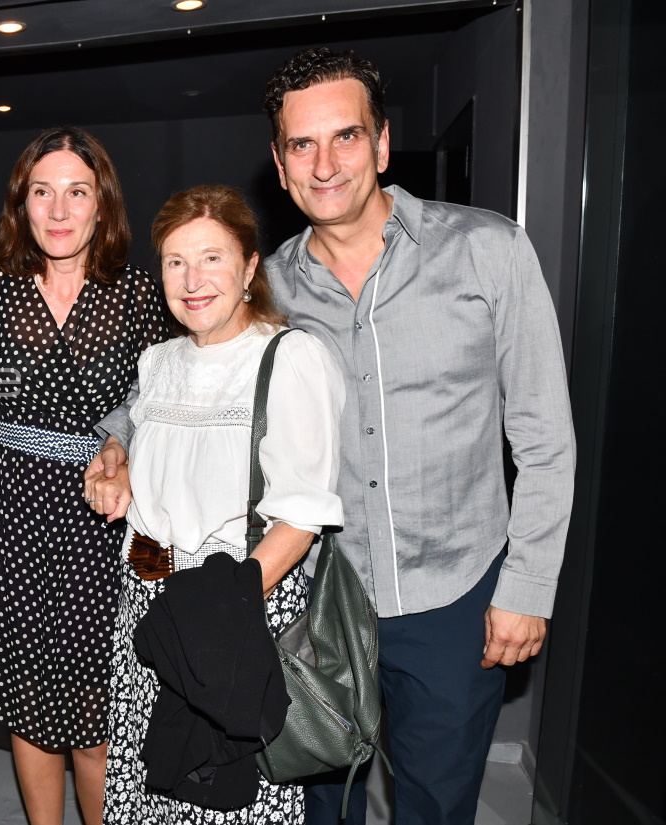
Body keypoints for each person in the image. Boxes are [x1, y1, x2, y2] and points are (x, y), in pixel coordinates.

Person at [91, 48, 576, 825]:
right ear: (280, 165)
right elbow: (176, 380)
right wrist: (115, 442)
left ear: (380, 144)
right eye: (301, 145)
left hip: (453, 596)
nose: (324, 164)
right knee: (318, 806)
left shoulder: (488, 251)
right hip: (314, 601)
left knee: (437, 805)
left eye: (345, 136)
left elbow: (546, 436)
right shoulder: (266, 286)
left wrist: (526, 587)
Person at [89, 184, 345, 824]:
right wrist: (119, 465)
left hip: (238, 603)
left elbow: (302, 516)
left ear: (250, 267)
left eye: (211, 258)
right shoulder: (158, 362)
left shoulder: (289, 357)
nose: (192, 280)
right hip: (151, 602)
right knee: (148, 792)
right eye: (175, 262)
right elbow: (156, 470)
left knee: (224, 799)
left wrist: (221, 603)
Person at [0, 125, 169, 825]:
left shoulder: (139, 293)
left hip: (104, 512)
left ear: (101, 203)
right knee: (29, 697)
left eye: (76, 192)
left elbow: (159, 397)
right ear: (20, 204)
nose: (58, 210)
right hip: (11, 509)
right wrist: (29, 438)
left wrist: (114, 449)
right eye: (41, 192)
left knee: (98, 704)